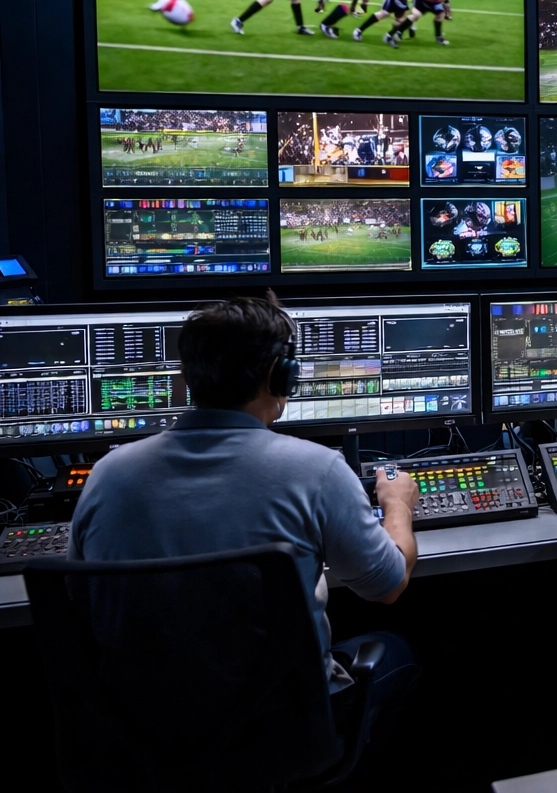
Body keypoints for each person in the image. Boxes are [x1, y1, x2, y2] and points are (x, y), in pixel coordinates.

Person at [68, 295, 421, 731]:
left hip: (141, 731)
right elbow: (387, 586)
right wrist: (397, 504)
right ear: (281, 375)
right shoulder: (318, 471)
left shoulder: (107, 475)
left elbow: (78, 601)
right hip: (278, 729)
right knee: (397, 651)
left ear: (187, 377)